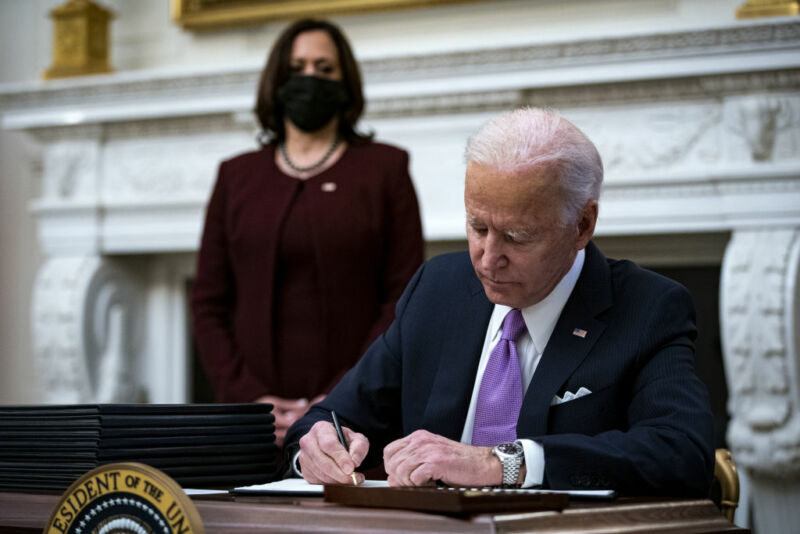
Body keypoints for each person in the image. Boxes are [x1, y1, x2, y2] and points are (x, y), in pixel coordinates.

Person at [284, 108, 715, 496]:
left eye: (517, 236)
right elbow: (330, 419)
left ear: (582, 224)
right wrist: (317, 448)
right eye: (477, 227)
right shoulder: (439, 289)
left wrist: (501, 464)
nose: (489, 259)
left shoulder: (647, 307)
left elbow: (680, 452)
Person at [191, 18, 424, 446]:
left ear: (345, 81)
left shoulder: (386, 169)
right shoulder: (236, 176)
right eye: (297, 68)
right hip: (252, 421)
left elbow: (403, 299)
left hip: (354, 418)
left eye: (324, 68)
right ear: (277, 80)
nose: (310, 78)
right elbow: (208, 300)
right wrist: (251, 400)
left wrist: (338, 398)